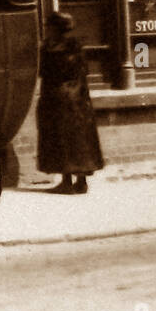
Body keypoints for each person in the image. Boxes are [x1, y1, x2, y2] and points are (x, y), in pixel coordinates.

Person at [36, 11, 104, 194]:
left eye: (48, 27)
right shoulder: (75, 46)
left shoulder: (54, 48)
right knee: (79, 140)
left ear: (56, 29)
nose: (46, 30)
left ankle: (67, 182)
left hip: (60, 98)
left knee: (62, 139)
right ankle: (81, 182)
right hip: (78, 99)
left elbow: (47, 72)